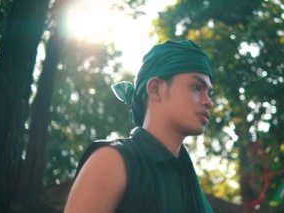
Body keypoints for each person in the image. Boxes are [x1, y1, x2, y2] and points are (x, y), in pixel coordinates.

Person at [64, 40, 214, 212]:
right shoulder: (113, 161)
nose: (208, 102)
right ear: (155, 88)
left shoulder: (186, 178)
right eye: (196, 87)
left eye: (210, 93)